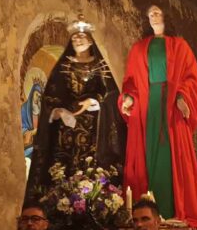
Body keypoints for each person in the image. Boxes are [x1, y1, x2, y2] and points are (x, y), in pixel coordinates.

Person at [120, 5, 197, 230]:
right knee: (146, 158)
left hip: (170, 108)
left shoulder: (179, 46)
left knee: (171, 157)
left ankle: (173, 210)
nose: (154, 15)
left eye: (158, 12)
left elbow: (191, 78)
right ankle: (146, 215)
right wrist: (129, 98)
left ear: (166, 16)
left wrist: (183, 97)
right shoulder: (139, 48)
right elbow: (130, 80)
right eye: (149, 13)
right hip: (147, 108)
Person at [26, 17, 125, 193]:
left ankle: (94, 197)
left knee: (91, 167)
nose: (77, 40)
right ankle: (63, 198)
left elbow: (111, 96)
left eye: (81, 37)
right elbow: (51, 95)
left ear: (89, 40)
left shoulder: (100, 66)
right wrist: (56, 110)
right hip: (66, 129)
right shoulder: (64, 66)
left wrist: (94, 101)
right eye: (74, 38)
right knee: (65, 168)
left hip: (94, 128)